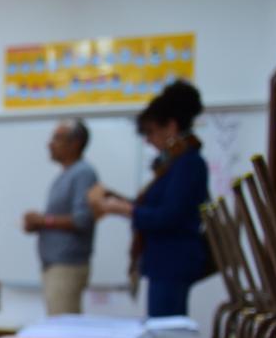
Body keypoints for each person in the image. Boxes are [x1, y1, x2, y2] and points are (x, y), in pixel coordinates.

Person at [90, 81, 210, 317]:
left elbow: (169, 216)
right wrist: (122, 203)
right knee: (162, 329)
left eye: (151, 132)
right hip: (164, 262)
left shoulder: (188, 163)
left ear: (171, 127)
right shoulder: (174, 164)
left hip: (172, 262)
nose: (148, 140)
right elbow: (158, 208)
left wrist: (125, 210)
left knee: (165, 332)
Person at [23, 119, 98, 316]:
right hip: (54, 263)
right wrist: (38, 224)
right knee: (57, 323)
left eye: (57, 138)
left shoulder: (83, 173)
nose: (50, 144)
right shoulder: (66, 174)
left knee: (63, 330)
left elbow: (82, 219)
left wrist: (43, 221)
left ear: (76, 143)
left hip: (68, 265)